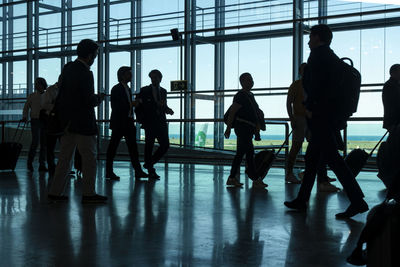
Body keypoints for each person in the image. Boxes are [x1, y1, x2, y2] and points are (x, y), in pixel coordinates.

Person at [284, 24, 368, 218]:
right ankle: (302, 199)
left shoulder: (318, 56)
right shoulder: (331, 57)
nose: (308, 40)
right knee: (312, 159)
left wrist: (312, 109)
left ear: (317, 37)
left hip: (320, 117)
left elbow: (319, 87)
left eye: (310, 36)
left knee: (334, 160)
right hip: (327, 116)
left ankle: (357, 201)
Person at [48, 39, 107, 203]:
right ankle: (88, 193)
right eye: (95, 55)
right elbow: (87, 100)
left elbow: (63, 94)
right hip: (83, 123)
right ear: (89, 55)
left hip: (67, 122)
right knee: (89, 159)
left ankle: (55, 192)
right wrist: (98, 98)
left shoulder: (68, 68)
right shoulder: (86, 73)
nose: (95, 59)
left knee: (65, 158)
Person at [286, 63, 339, 192]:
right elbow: (289, 102)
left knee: (316, 148)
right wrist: (292, 118)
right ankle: (289, 173)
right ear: (300, 72)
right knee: (297, 146)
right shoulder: (296, 85)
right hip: (300, 118)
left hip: (311, 119)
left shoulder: (311, 85)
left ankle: (317, 174)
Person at [224, 73, 267, 189]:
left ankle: (233, 177)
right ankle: (255, 178)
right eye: (249, 80)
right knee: (248, 153)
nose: (251, 82)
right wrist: (228, 128)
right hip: (242, 128)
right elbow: (233, 112)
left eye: (252, 79)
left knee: (243, 154)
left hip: (247, 129)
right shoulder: (240, 96)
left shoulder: (249, 95)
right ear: (242, 82)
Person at [105, 66, 148, 180]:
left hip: (127, 122)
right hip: (121, 122)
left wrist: (132, 105)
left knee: (130, 148)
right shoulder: (117, 89)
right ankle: (110, 171)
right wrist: (132, 104)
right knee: (115, 148)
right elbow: (116, 106)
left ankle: (137, 171)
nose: (131, 75)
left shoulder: (126, 89)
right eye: (129, 73)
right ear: (123, 75)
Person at [135, 69, 174, 180]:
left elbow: (163, 106)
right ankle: (150, 169)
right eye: (152, 77)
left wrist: (168, 110)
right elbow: (138, 106)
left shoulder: (163, 91)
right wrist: (140, 119)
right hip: (150, 122)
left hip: (161, 122)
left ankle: (149, 163)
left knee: (165, 145)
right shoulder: (144, 90)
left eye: (156, 77)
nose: (154, 79)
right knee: (149, 146)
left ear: (160, 79)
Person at [22, 77, 48, 172]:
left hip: (39, 120)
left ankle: (33, 163)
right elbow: (26, 108)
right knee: (38, 142)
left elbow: (26, 108)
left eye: (37, 84)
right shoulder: (43, 95)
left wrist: (25, 117)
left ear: (41, 85)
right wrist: (25, 116)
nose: (36, 85)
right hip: (38, 120)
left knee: (40, 142)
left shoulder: (33, 96)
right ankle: (39, 164)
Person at [382, 64, 400, 134]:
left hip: (393, 120)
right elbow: (395, 103)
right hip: (395, 120)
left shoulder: (390, 85)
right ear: (393, 73)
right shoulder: (391, 86)